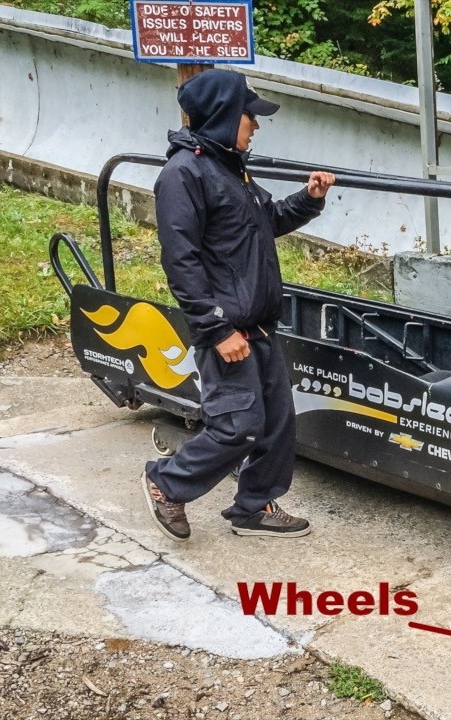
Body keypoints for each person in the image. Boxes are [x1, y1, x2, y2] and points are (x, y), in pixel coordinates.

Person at [141, 68, 336, 542]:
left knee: (275, 423)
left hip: (259, 324)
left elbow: (265, 221)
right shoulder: (183, 174)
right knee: (239, 426)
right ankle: (166, 484)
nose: (257, 125)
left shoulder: (229, 167)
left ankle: (254, 507)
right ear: (228, 116)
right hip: (227, 328)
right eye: (251, 116)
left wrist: (309, 199)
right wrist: (215, 329)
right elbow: (180, 261)